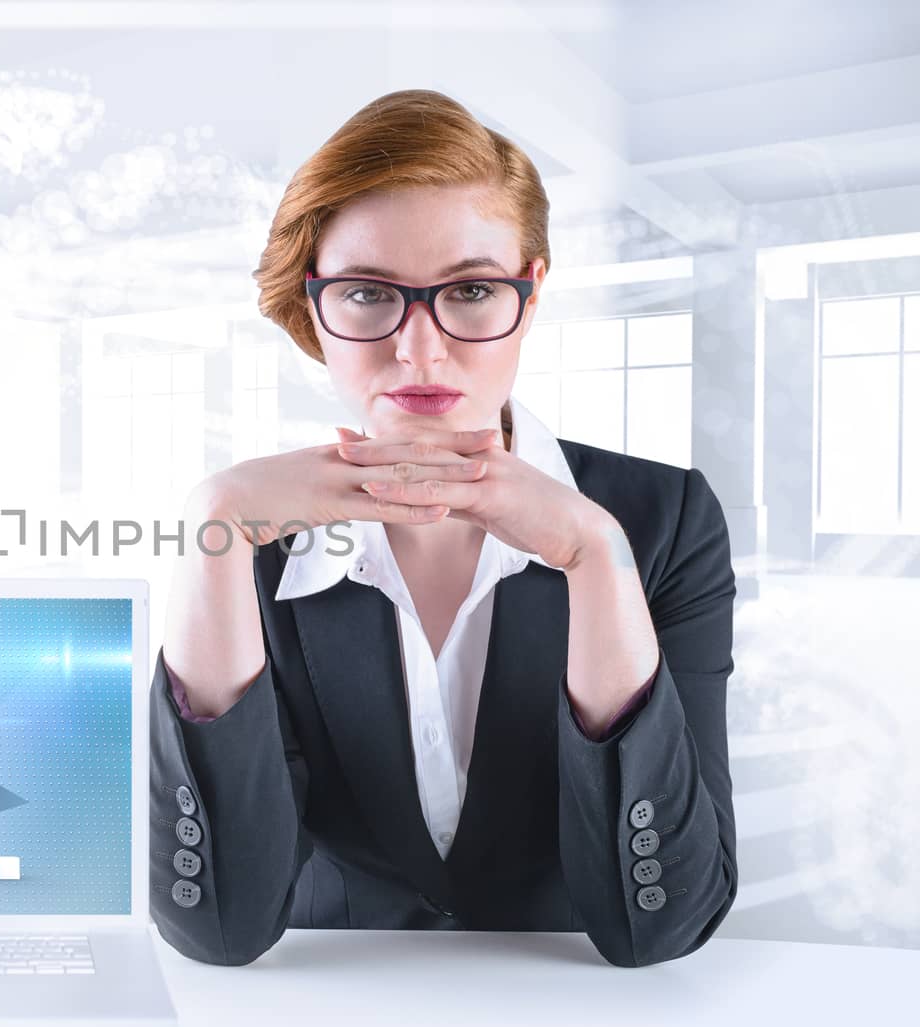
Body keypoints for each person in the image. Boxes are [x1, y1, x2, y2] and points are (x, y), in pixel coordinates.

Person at [149, 89, 738, 969]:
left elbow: (662, 926)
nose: (420, 352)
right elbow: (219, 929)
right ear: (315, 307)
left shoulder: (663, 521)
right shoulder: (256, 543)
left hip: (582, 1026)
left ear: (530, 294)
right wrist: (214, 525)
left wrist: (595, 556)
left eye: (469, 290)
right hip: (323, 1022)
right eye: (365, 293)